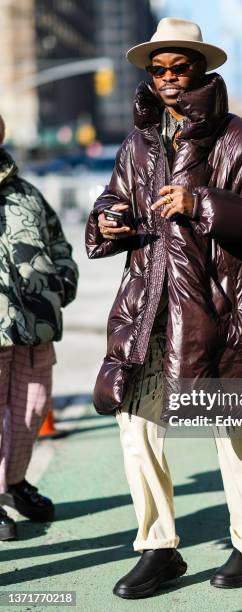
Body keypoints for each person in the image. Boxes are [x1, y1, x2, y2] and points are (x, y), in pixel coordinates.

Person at [86, 18, 242, 599]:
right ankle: (158, 548)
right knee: (136, 424)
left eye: (179, 67)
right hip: (150, 303)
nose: (167, 78)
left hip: (220, 305)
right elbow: (114, 198)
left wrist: (202, 202)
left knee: (230, 425)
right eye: (157, 69)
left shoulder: (241, 139)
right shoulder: (137, 143)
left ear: (201, 68)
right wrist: (107, 220)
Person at [0, 115, 78, 540]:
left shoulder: (25, 193)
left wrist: (62, 283)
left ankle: (14, 484)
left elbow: (58, 242)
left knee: (32, 408)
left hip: (35, 324)